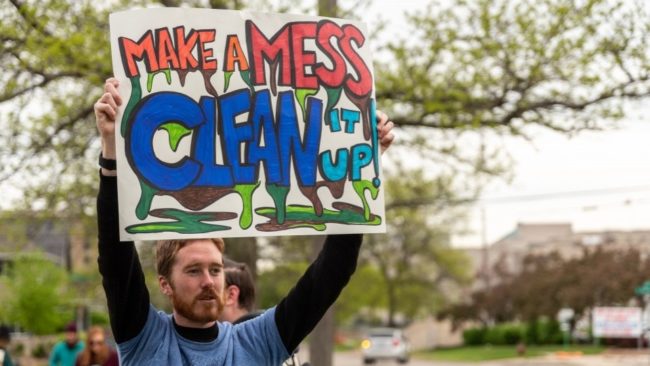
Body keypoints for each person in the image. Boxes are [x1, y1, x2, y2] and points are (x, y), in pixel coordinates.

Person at [94, 77, 395, 365]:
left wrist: (363, 169)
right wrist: (110, 150)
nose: (209, 281)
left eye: (215, 269)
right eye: (193, 270)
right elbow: (115, 259)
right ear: (165, 284)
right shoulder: (145, 338)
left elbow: (333, 271)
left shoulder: (258, 341)